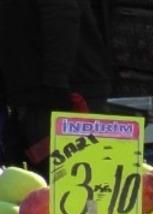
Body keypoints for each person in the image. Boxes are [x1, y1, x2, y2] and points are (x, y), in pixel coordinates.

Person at [0, 0, 110, 170]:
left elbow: (61, 12)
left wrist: (55, 80)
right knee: (29, 180)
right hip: (33, 92)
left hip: (62, 94)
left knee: (67, 179)